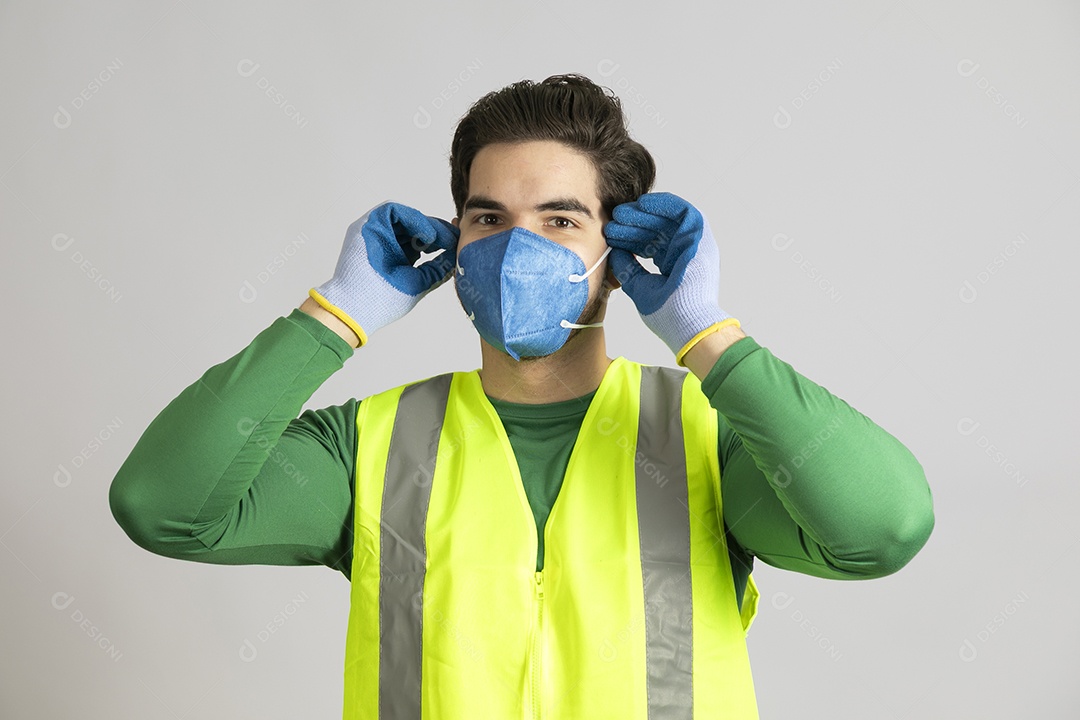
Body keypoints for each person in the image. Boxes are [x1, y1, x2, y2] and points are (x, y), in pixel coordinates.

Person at [109, 73, 935, 719]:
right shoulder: (370, 446)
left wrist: (704, 332)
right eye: (488, 219)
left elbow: (883, 528)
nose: (515, 250)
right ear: (456, 246)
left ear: (619, 256)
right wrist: (335, 315)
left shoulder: (707, 441)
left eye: (561, 221)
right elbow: (160, 506)